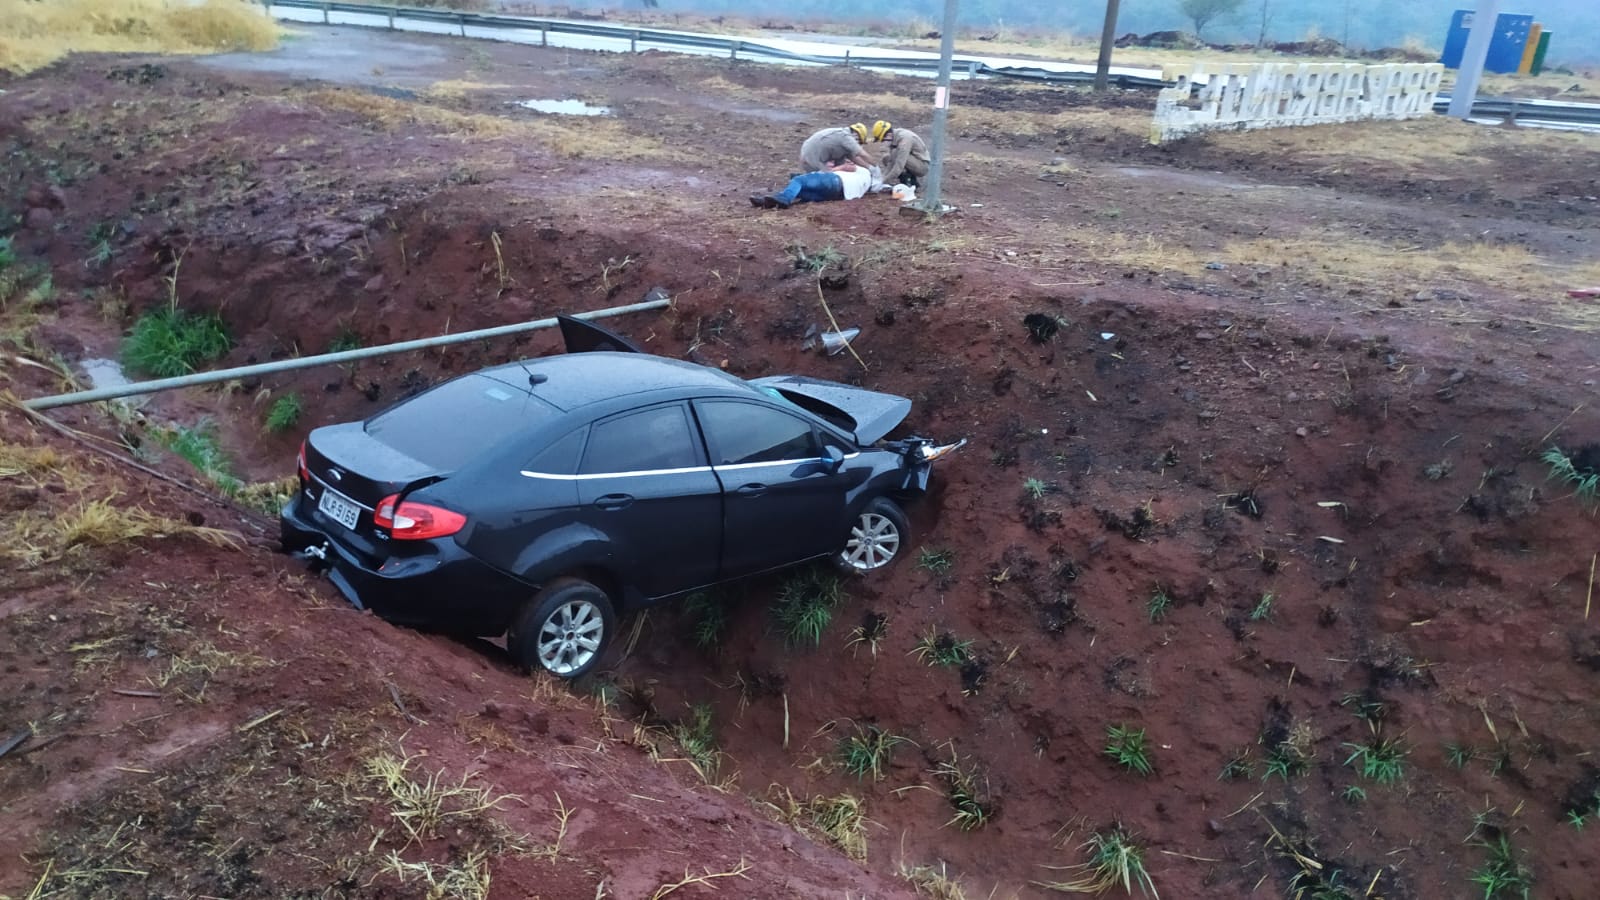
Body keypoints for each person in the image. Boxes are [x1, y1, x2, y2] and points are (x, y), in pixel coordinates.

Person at [750, 162, 883, 209]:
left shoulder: (864, 171)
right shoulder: (865, 187)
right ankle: (771, 202)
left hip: (836, 180)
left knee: (798, 180)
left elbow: (849, 167)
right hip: (838, 195)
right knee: (800, 191)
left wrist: (835, 168)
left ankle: (783, 199)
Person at [869, 120, 931, 187]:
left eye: (882, 140)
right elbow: (890, 162)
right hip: (911, 160)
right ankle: (905, 179)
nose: (882, 143)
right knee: (886, 158)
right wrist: (881, 178)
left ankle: (910, 182)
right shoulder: (894, 136)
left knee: (896, 154)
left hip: (922, 166)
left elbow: (899, 165)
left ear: (888, 135)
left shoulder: (904, 140)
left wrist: (883, 182)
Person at [799, 124, 877, 172]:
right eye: (859, 142)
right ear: (857, 136)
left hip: (806, 156)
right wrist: (875, 167)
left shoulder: (842, 137)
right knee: (829, 180)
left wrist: (869, 168)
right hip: (811, 159)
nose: (858, 144)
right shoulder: (845, 137)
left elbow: (854, 158)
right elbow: (862, 154)